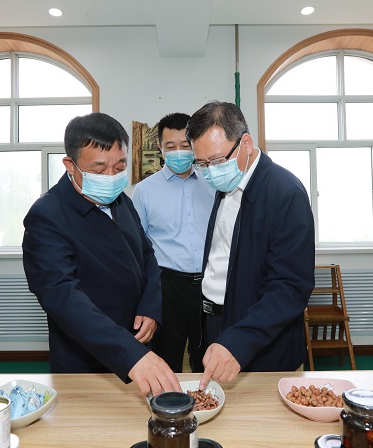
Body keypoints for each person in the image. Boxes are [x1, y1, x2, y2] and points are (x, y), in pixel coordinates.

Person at [22, 112, 181, 396]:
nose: (111, 177)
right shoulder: (47, 217)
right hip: (87, 360)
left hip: (138, 348)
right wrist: (129, 352)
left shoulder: (121, 202)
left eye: (119, 167)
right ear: (70, 165)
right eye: (98, 169)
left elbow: (147, 256)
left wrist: (150, 307)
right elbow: (63, 298)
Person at [185, 101, 315, 390]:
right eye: (202, 164)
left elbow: (290, 287)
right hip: (215, 322)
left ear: (245, 143)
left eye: (217, 160)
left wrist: (238, 341)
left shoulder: (285, 193)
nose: (210, 171)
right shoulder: (227, 183)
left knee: (257, 414)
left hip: (259, 337)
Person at [132, 113, 215, 373]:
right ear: (160, 148)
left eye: (185, 145)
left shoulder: (213, 184)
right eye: (170, 146)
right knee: (166, 360)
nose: (178, 152)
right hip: (167, 286)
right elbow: (138, 248)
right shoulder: (144, 191)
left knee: (208, 358)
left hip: (210, 284)